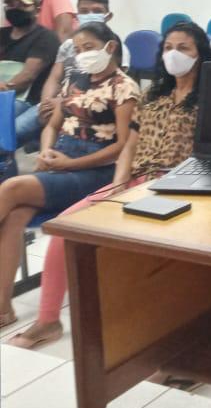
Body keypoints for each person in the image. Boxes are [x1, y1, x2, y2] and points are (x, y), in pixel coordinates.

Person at [7, 22, 211, 349]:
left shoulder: (209, 99)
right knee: (64, 230)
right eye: (168, 47)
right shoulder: (154, 95)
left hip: (178, 185)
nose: (174, 54)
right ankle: (47, 321)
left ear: (200, 53)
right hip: (137, 180)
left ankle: (165, 340)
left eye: (183, 48)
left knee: (148, 255)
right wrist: (119, 183)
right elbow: (129, 145)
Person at [0, 22, 139, 328]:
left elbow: (120, 146)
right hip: (61, 159)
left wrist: (68, 165)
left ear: (110, 47)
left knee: (11, 188)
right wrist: (46, 153)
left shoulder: (124, 86)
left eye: (89, 48)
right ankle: (3, 309)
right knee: (15, 217)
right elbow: (51, 125)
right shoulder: (74, 81)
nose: (82, 54)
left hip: (95, 170)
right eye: (77, 50)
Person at [29, 0, 114, 148]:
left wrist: (63, 103)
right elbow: (54, 78)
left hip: (85, 106)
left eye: (97, 11)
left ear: (108, 16)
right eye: (84, 11)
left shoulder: (114, 47)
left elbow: (111, 89)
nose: (90, 15)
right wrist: (46, 104)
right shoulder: (68, 45)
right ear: (77, 16)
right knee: (11, 131)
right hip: (55, 103)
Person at [0, 0, 60, 148]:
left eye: (22, 5)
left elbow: (27, 77)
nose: (15, 9)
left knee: (4, 136)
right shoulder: (2, 34)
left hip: (27, 101)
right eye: (11, 5)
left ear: (37, 9)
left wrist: (4, 87)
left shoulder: (46, 38)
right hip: (3, 97)